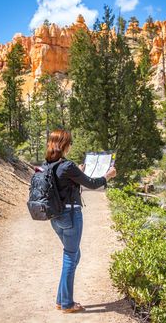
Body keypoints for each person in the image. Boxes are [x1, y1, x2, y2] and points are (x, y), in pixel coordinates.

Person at [46, 128, 117, 313]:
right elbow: (92, 184)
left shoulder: (49, 165)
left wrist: (78, 172)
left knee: (72, 255)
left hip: (55, 218)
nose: (70, 146)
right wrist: (107, 176)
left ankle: (61, 300)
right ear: (64, 145)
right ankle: (67, 304)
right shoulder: (67, 166)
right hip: (70, 216)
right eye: (69, 143)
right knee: (71, 257)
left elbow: (64, 184)